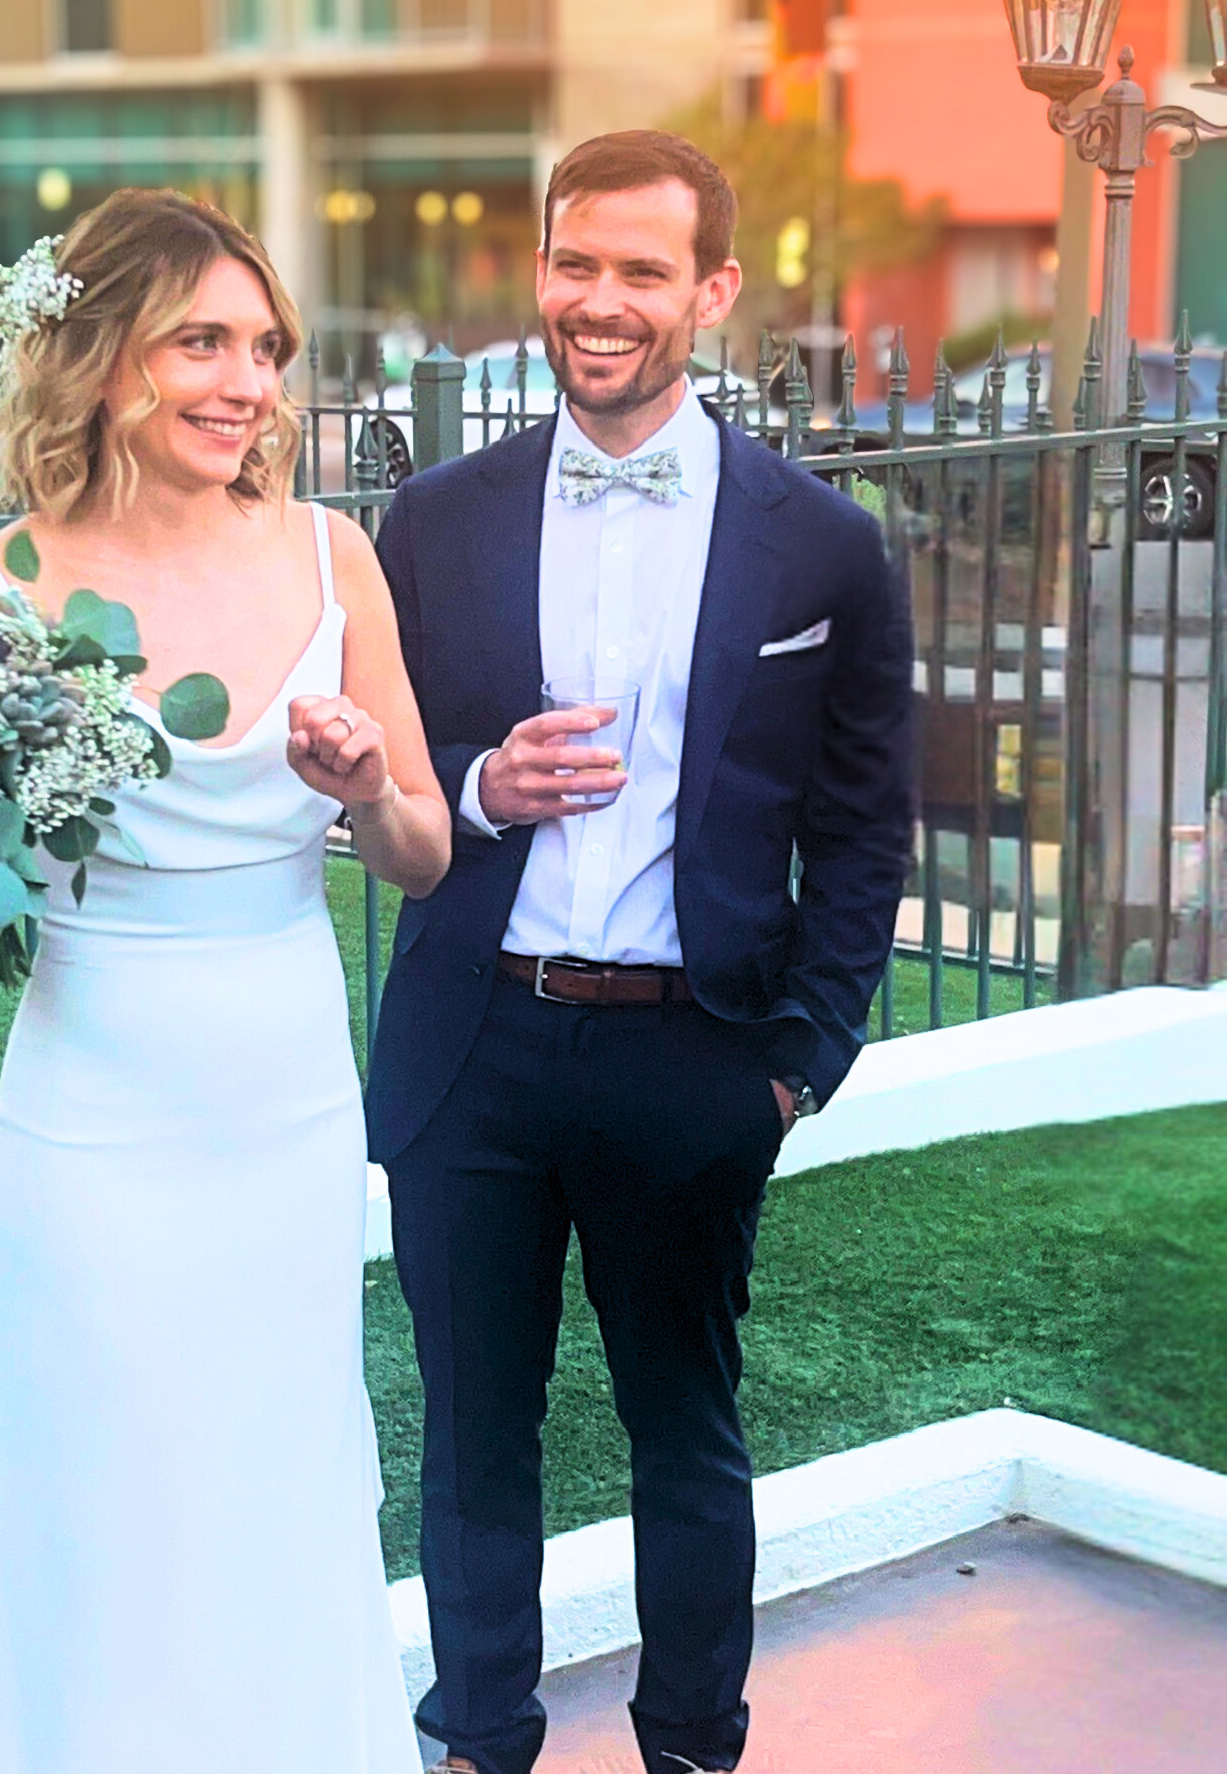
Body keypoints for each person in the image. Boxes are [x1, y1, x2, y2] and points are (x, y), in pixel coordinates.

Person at [366, 131, 914, 1774]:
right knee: (472, 1436)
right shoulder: (433, 518)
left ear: (713, 290)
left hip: (698, 1052)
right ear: (540, 271)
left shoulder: (823, 544)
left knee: (685, 1429)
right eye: (574, 263)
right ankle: (480, 1739)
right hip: (474, 1045)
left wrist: (800, 1059)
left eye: (642, 270)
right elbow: (386, 770)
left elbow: (864, 824)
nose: (599, 301)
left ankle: (690, 1745)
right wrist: (480, 781)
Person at [0, 188, 447, 1772]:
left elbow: (426, 850)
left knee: (273, 1496)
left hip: (284, 1123)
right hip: (87, 1130)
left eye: (264, 347)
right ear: (104, 357)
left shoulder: (333, 555)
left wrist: (366, 785)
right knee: (103, 1508)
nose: (246, 383)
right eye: (202, 344)